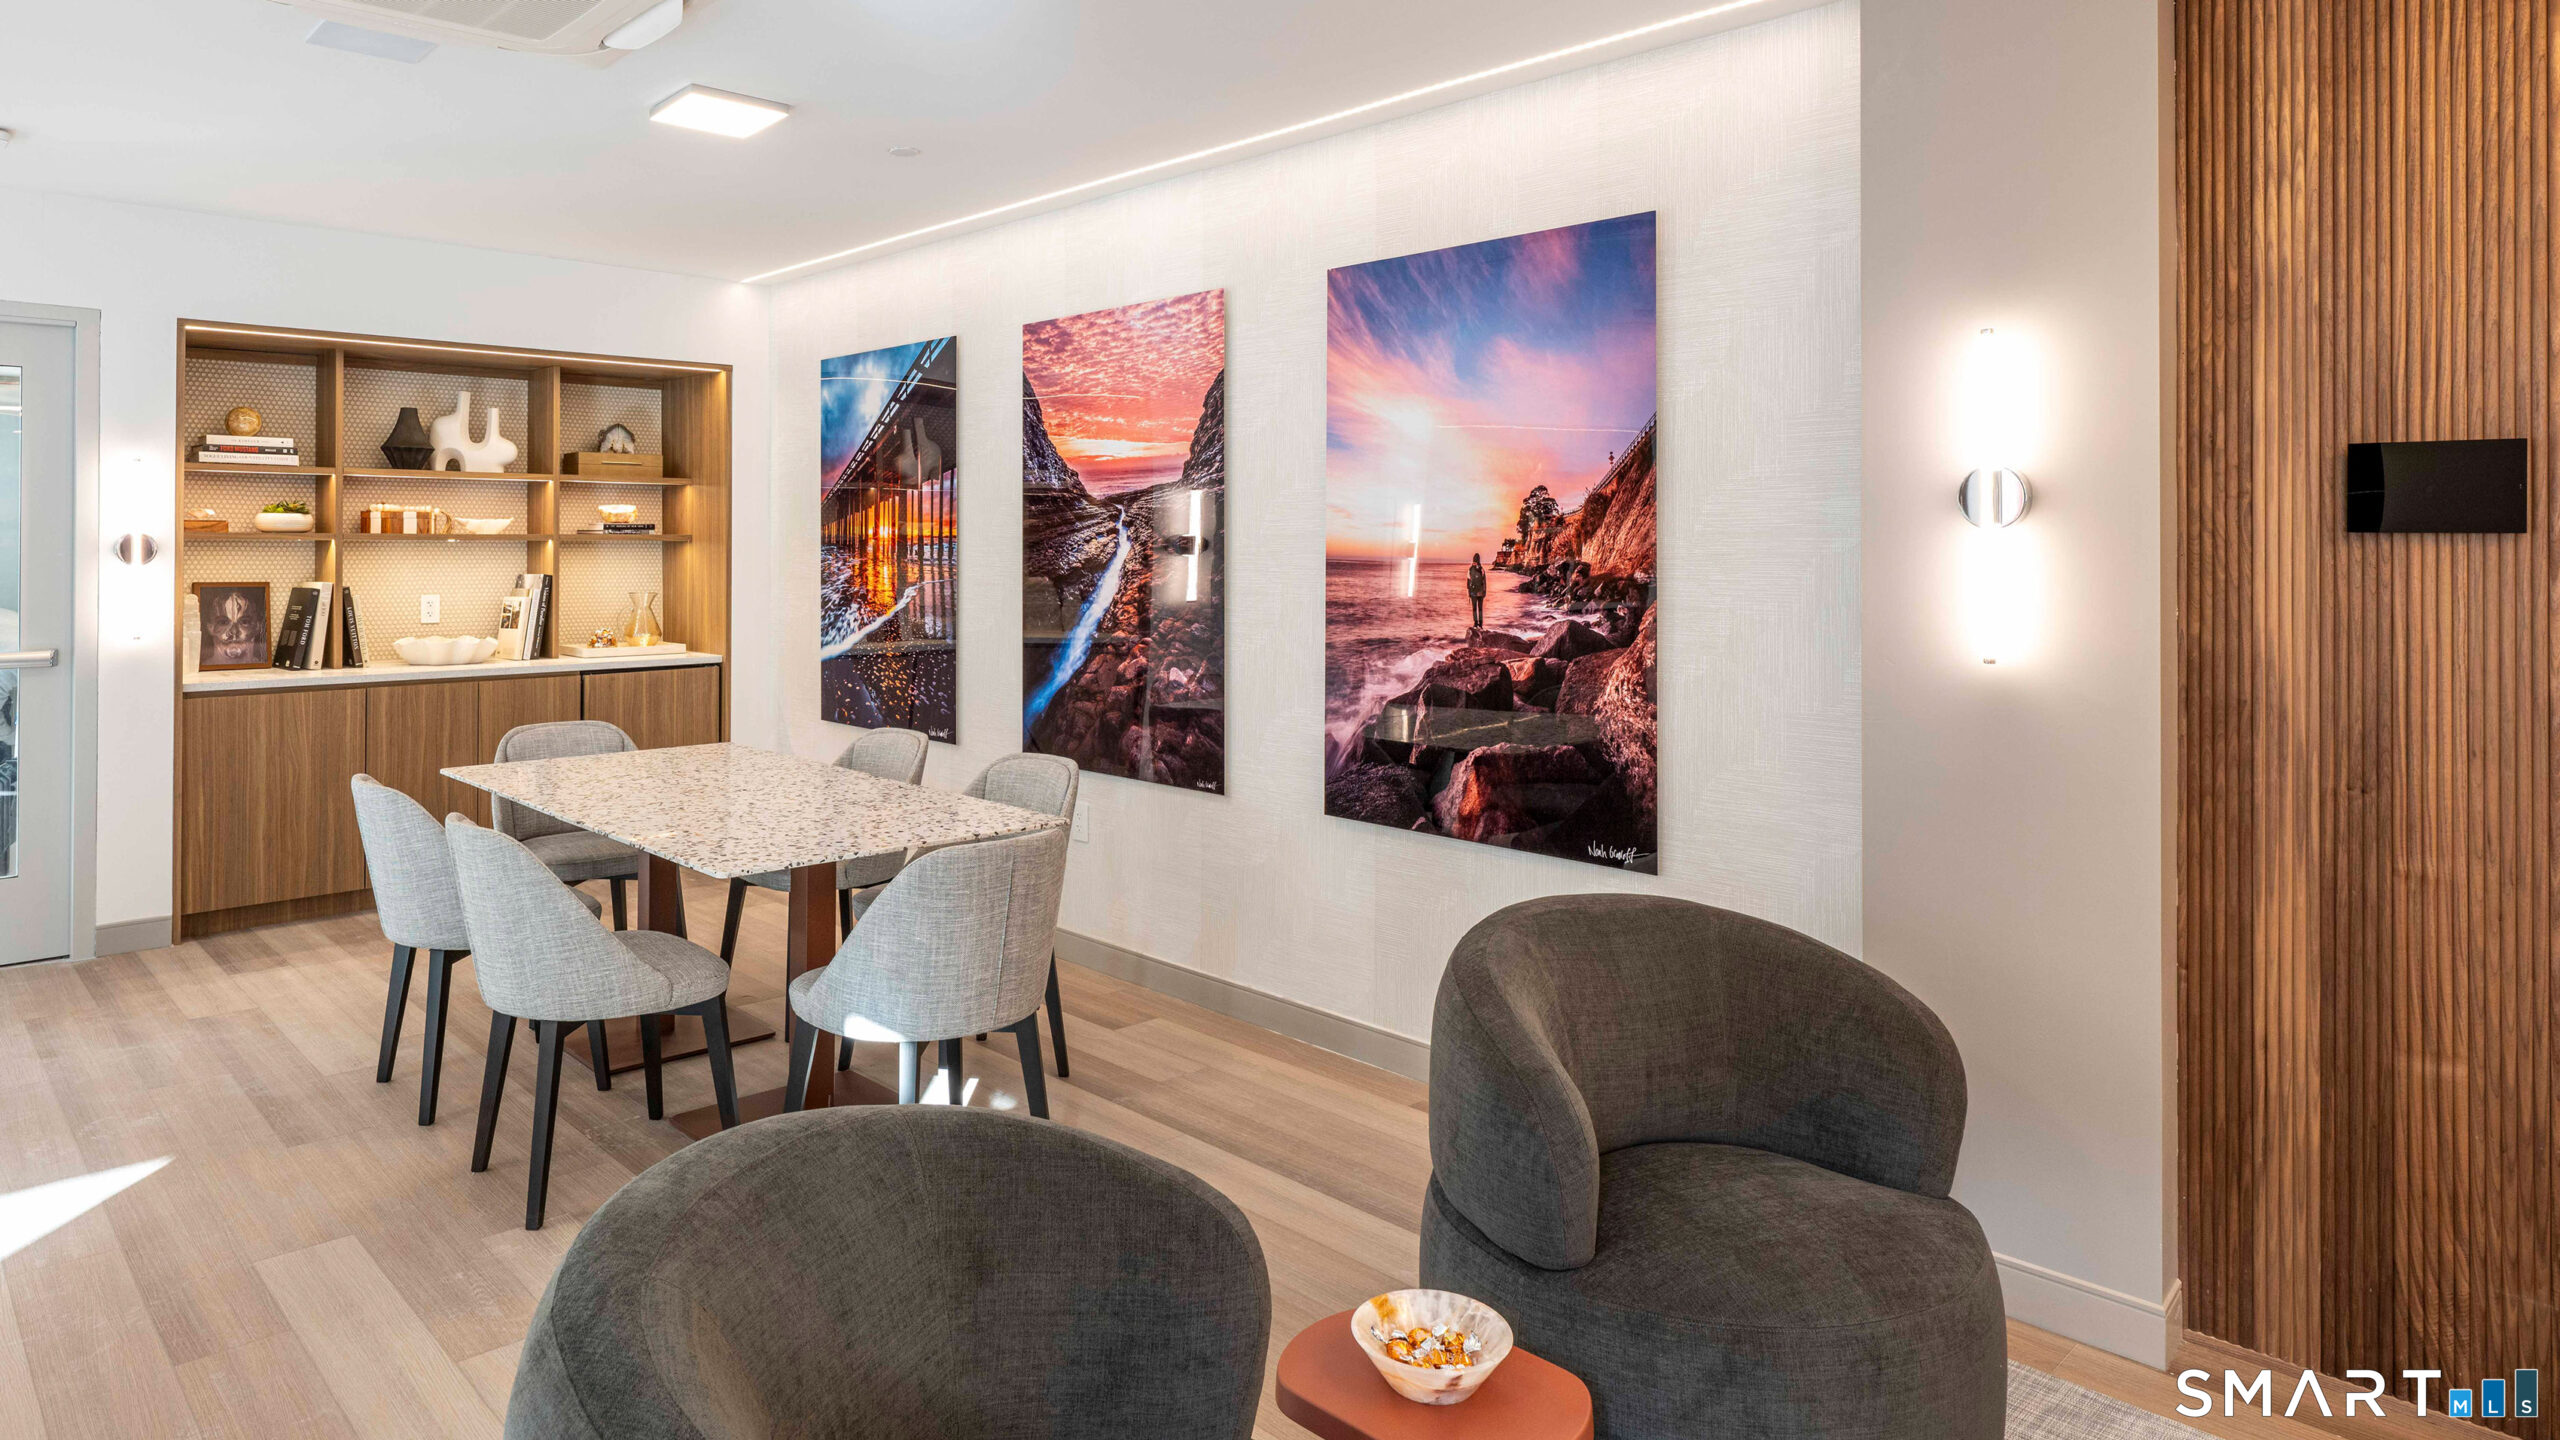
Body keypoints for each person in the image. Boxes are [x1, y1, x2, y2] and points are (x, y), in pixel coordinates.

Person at [1466, 552, 1487, 630]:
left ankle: (1475, 623)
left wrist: (1468, 592)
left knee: (1474, 608)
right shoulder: (1481, 569)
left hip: (1473, 592)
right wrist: (1484, 592)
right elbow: (1484, 581)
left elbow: (1468, 581)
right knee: (1480, 608)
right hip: (1481, 592)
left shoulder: (1470, 569)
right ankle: (1480, 624)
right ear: (1479, 559)